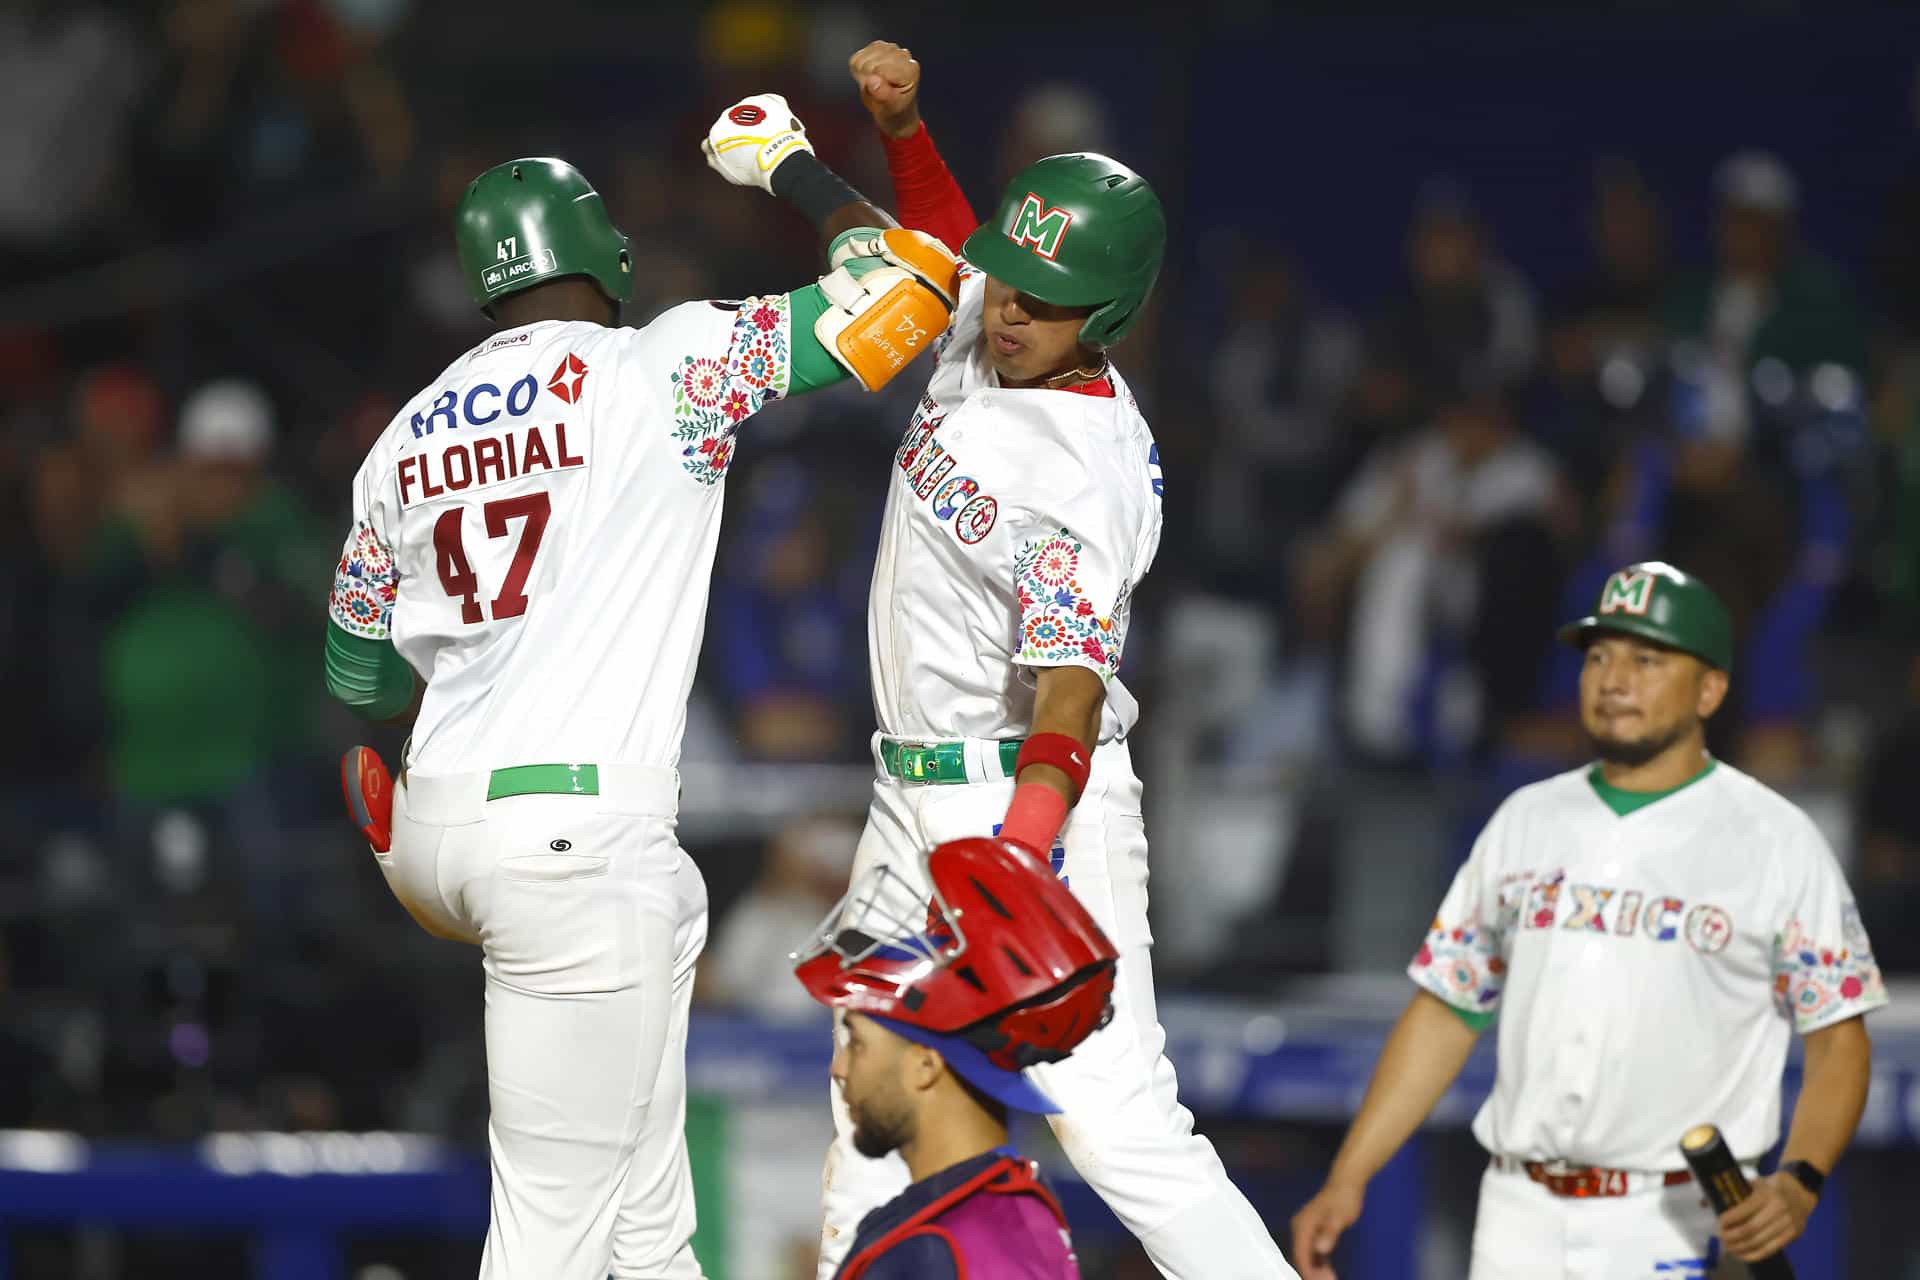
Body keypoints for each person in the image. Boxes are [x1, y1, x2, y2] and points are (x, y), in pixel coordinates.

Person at [700, 40, 1293, 1278]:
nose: (1007, 305)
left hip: (1019, 801)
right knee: (868, 1095)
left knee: (1123, 1129)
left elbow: (1069, 693)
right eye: (1009, 279)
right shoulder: (1001, 316)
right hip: (907, 791)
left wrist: (1018, 855)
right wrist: (864, 146)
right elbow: (918, 252)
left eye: (1039, 293)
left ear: (1114, 315)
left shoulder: (1088, 477)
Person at [322, 154, 957, 1279]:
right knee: (545, 1244)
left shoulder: (404, 436)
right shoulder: (666, 361)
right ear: (604, 253)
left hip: (444, 832)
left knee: (649, 1234)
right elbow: (913, 292)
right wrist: (795, 172)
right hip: (569, 847)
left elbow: (357, 673)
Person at [1289, 562, 1887, 1278]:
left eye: (1647, 658)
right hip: (1518, 1211)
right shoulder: (1525, 820)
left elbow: (1838, 1042)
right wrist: (1350, 1174)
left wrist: (1801, 1178)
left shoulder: (1775, 838)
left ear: (1710, 689)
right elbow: (1447, 1010)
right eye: (1599, 656)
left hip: (1674, 1218)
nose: (1613, 678)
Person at [792, 834, 1119, 1279]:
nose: (839, 1067)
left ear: (926, 1064)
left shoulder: (933, 1252)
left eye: (858, 1042)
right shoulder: (1019, 1204)